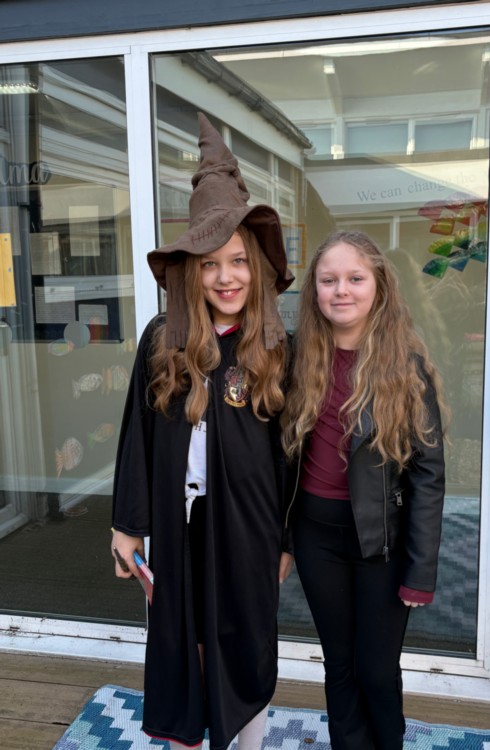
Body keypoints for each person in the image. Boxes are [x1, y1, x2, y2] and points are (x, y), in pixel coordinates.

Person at [111, 113, 294, 750]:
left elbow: (289, 455)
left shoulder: (275, 346)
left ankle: (248, 742)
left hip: (249, 525)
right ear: (191, 270)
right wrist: (127, 525)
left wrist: (286, 539)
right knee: (179, 637)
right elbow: (137, 438)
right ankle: (187, 736)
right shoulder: (163, 341)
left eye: (238, 261)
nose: (226, 277)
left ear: (257, 267)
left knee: (247, 638)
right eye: (211, 263)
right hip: (178, 521)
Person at [281, 230, 446, 750]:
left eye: (355, 278)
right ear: (314, 290)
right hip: (316, 537)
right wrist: (283, 539)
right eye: (328, 280)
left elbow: (428, 474)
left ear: (379, 286)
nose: (341, 290)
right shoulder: (295, 358)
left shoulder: (405, 367)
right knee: (340, 665)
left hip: (381, 543)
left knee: (375, 670)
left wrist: (420, 571)